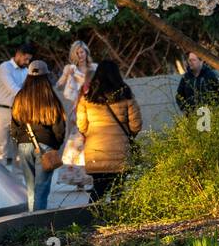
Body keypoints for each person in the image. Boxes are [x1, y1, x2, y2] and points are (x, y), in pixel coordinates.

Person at [76, 59, 142, 203]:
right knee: (118, 191)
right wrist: (127, 135)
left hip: (96, 152)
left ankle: (92, 221)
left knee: (97, 191)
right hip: (121, 151)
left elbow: (81, 126)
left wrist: (92, 134)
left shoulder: (87, 98)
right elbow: (136, 125)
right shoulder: (125, 95)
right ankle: (115, 222)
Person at [11, 60, 65, 212]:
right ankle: (37, 225)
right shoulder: (50, 97)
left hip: (23, 144)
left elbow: (14, 123)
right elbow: (59, 126)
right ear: (46, 76)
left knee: (30, 187)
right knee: (41, 188)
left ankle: (30, 222)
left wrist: (19, 141)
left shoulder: (20, 97)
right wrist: (56, 144)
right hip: (46, 144)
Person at [54, 39, 95, 188]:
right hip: (77, 110)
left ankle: (90, 177)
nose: (80, 55)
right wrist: (66, 76)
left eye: (82, 52)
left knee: (91, 142)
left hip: (94, 108)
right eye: (77, 53)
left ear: (86, 52)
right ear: (74, 54)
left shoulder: (94, 68)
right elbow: (58, 87)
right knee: (75, 144)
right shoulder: (70, 69)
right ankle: (77, 178)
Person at [0, 43, 34, 169]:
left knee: (21, 147)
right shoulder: (5, 67)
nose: (27, 62)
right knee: (2, 146)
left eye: (29, 59)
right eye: (25, 58)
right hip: (3, 111)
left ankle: (20, 180)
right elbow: (13, 88)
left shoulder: (26, 71)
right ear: (18, 54)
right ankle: (1, 179)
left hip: (20, 111)